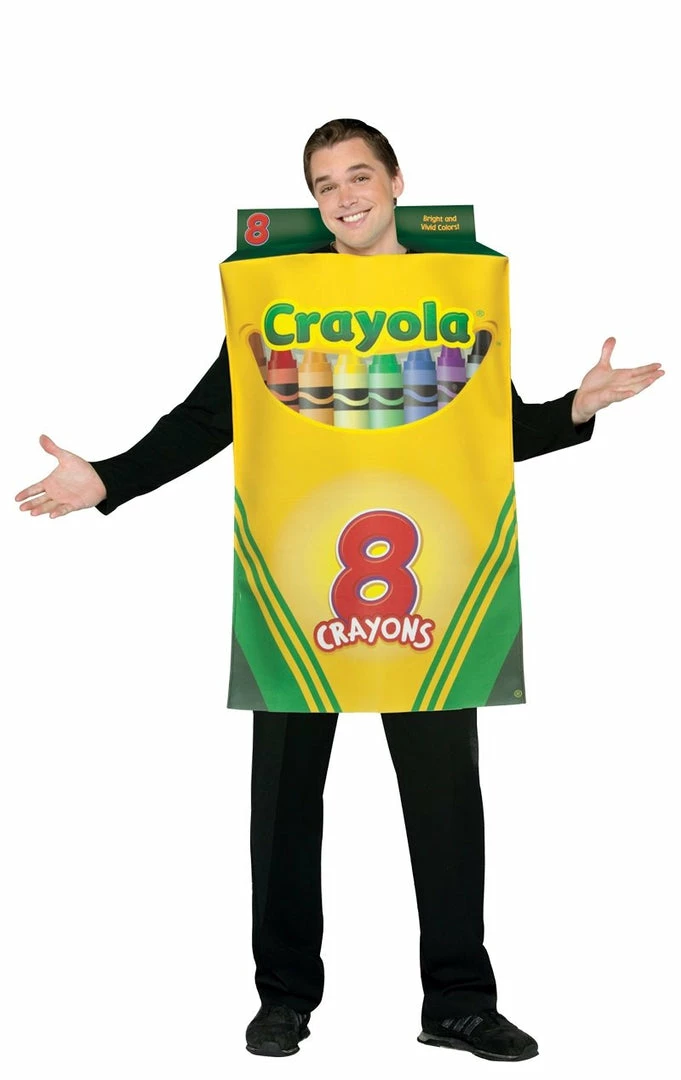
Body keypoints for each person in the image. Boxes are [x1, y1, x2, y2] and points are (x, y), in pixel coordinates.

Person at [15, 119, 664, 1062]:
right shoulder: (280, 298)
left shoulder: (452, 294)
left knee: (446, 798)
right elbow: (208, 416)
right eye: (324, 184)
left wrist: (574, 407)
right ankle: (284, 997)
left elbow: (489, 435)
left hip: (435, 584)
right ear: (313, 201)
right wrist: (108, 478)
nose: (344, 196)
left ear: (396, 181)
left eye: (359, 176)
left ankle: (457, 1001)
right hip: (296, 577)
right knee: (284, 798)